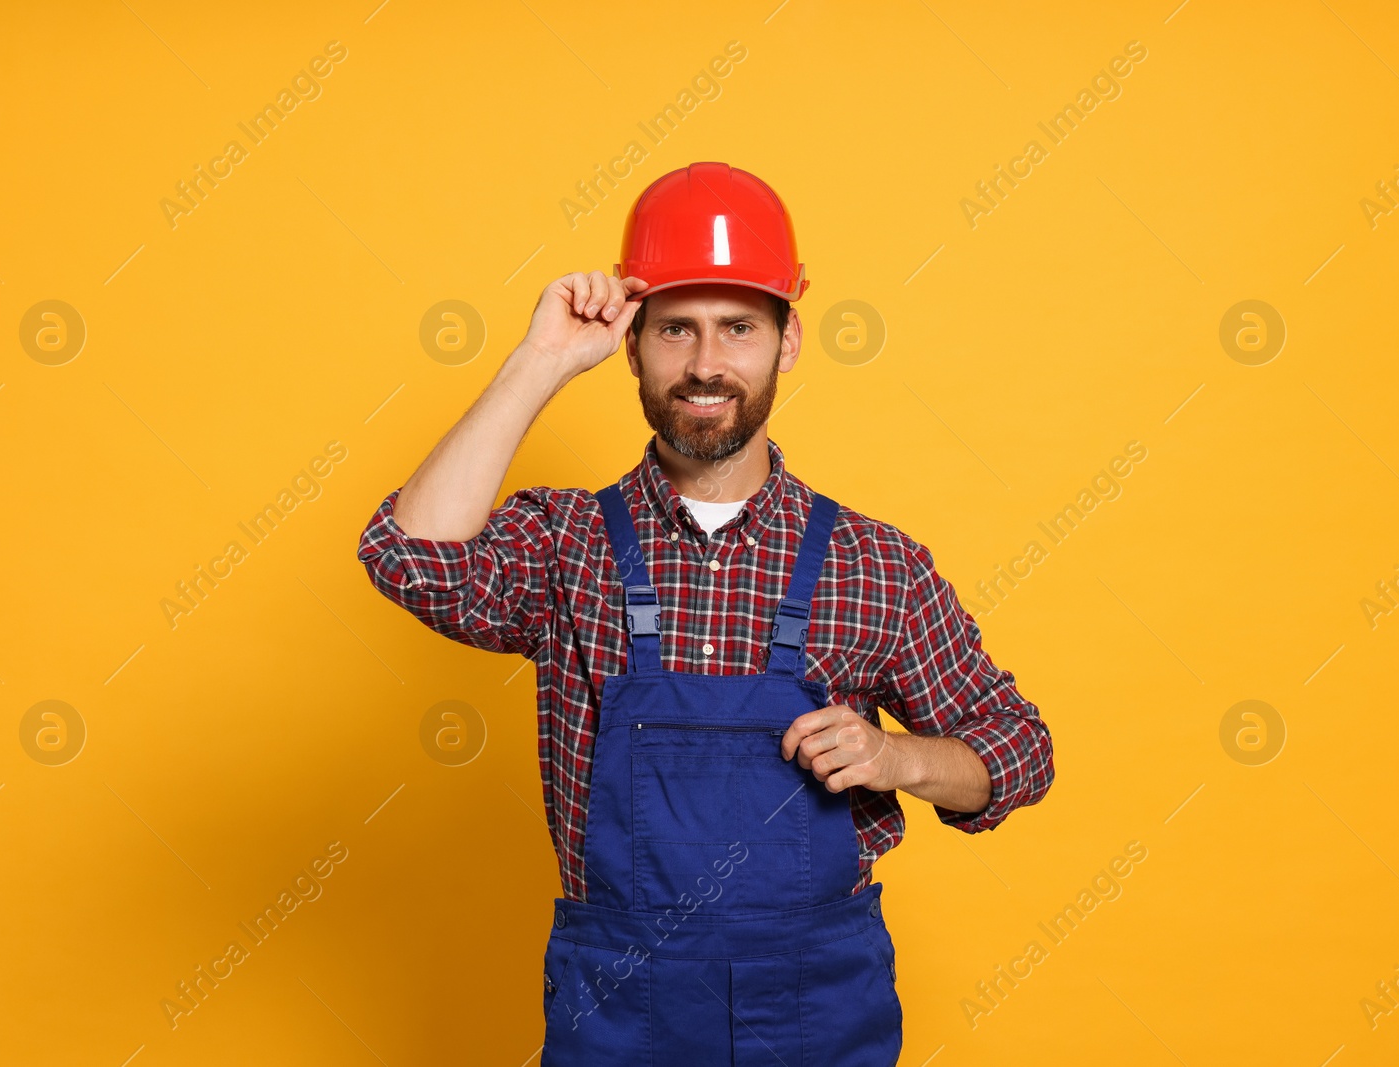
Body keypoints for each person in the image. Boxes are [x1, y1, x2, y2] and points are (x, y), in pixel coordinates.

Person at [358, 161, 1054, 1065]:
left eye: (738, 328)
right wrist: (541, 362)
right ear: (633, 341)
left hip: (817, 1012)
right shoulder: (564, 545)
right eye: (675, 330)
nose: (705, 364)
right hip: (619, 1011)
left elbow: (1019, 750)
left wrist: (898, 756)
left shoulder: (874, 564)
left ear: (788, 340)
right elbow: (409, 558)